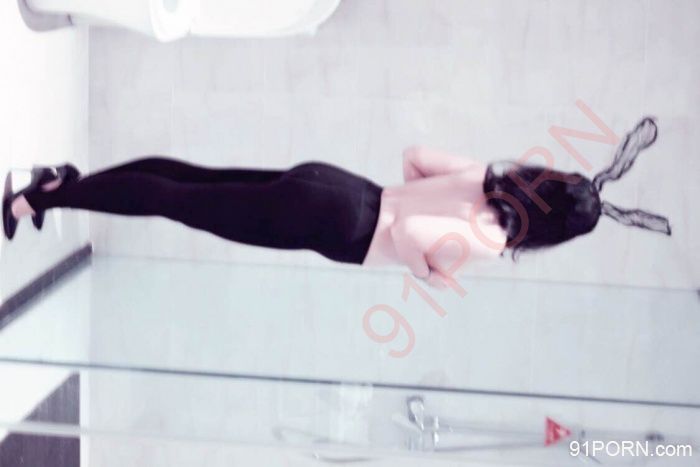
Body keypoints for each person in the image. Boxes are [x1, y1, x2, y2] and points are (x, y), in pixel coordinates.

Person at [3, 117, 671, 288]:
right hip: (334, 221)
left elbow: (415, 155)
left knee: (191, 183)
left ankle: (64, 184)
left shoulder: (489, 177)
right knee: (179, 201)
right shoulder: (493, 240)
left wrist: (394, 203)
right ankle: (35, 199)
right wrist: (433, 275)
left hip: (342, 185)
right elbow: (412, 236)